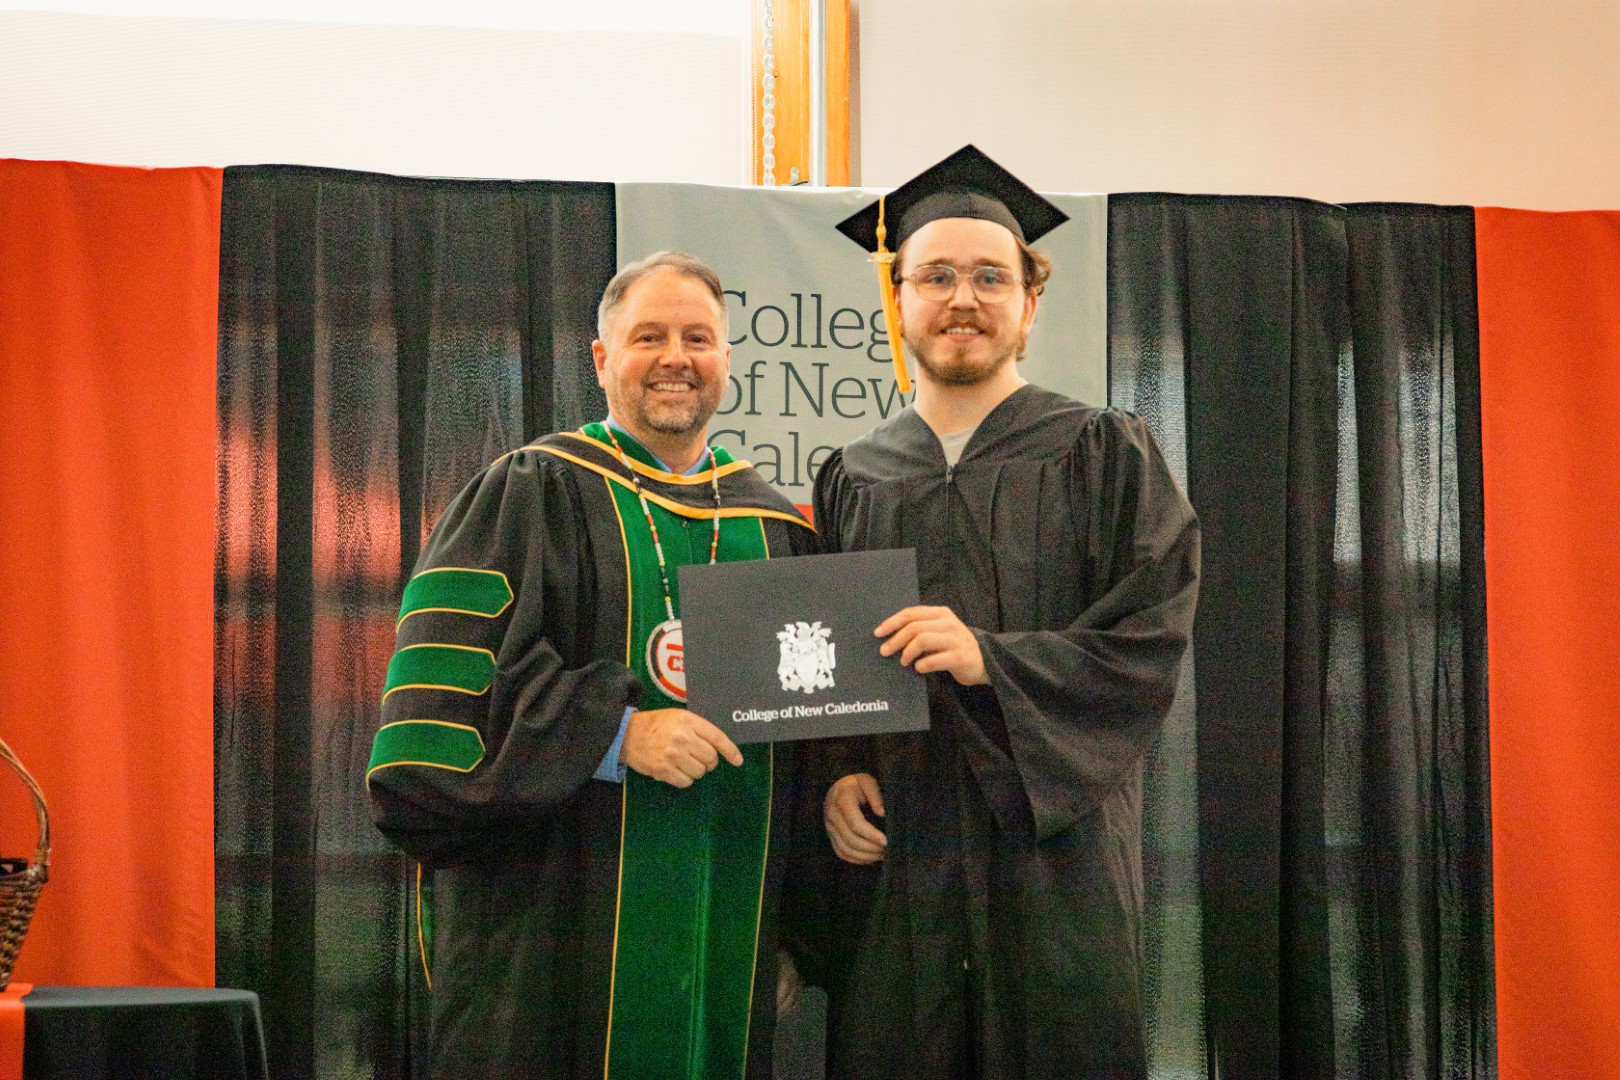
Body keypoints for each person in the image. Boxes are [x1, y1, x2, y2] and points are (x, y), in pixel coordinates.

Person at [366, 251, 816, 1080]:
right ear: (603, 359)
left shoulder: (776, 527)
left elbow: (803, 749)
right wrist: (614, 735)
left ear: (726, 360)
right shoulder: (529, 491)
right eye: (649, 337)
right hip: (553, 930)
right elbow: (447, 705)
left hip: (727, 928)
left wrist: (791, 929)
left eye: (698, 338)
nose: (676, 357)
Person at [804, 145, 1201, 1079]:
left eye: (991, 277)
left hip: (1053, 857)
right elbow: (819, 653)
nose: (964, 298)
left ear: (1030, 303)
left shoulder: (1102, 451)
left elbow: (1150, 633)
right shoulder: (853, 476)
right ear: (897, 298)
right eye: (936, 276)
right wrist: (839, 772)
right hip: (899, 857)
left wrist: (993, 659)